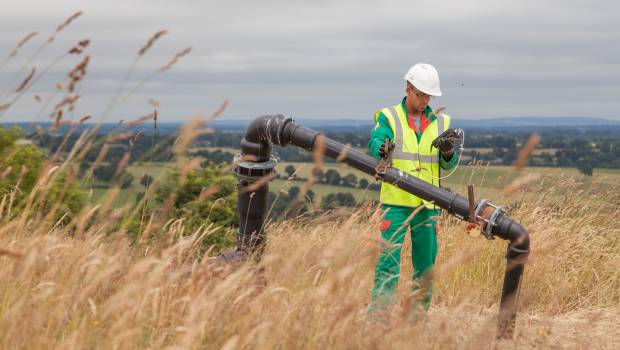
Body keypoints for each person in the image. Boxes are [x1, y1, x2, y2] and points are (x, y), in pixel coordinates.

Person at [368, 63, 459, 317]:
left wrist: (449, 152)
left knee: (425, 269)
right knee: (387, 266)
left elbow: (447, 165)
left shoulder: (443, 123)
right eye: (420, 94)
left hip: (427, 205)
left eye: (429, 96)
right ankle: (379, 322)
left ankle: (414, 325)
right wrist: (382, 149)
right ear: (408, 89)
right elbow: (376, 142)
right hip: (396, 203)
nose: (425, 100)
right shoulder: (388, 117)